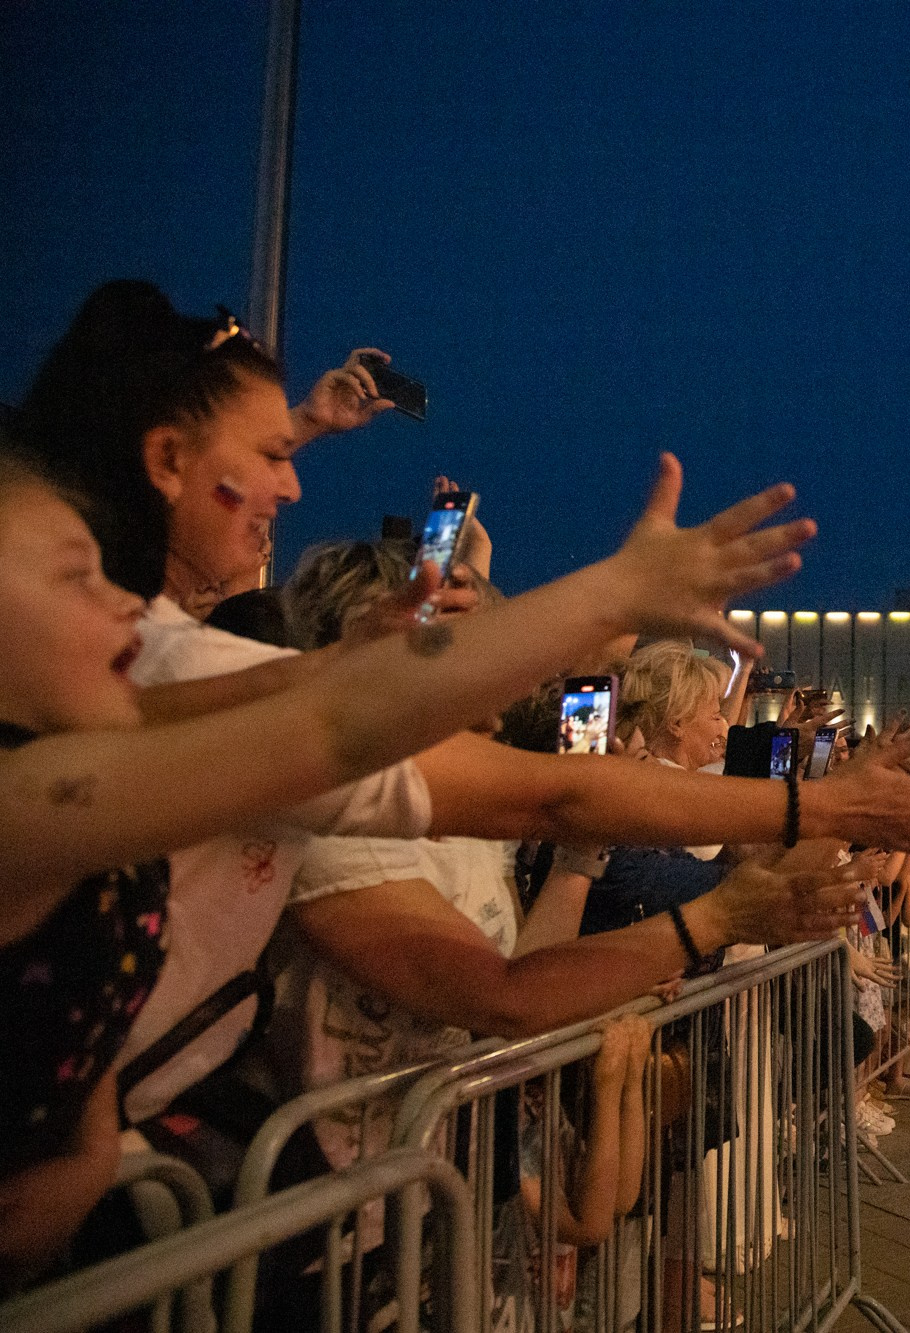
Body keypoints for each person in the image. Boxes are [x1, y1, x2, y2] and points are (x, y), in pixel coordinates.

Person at [6, 281, 910, 1132]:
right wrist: (613, 601)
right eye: (73, 573)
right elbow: (500, 789)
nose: (295, 483)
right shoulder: (125, 705)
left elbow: (356, 712)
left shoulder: (179, 686)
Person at [0, 444, 805, 1283]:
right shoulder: (44, 799)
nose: (132, 613)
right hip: (313, 1230)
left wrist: (90, 1136)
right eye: (74, 578)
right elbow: (529, 849)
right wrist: (781, 840)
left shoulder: (102, 779)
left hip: (391, 1205)